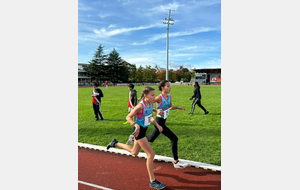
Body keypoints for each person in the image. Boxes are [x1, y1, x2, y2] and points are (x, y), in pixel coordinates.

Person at [107, 86, 166, 189]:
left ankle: (115, 143)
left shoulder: (150, 103)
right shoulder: (140, 106)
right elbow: (128, 117)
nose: (154, 97)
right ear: (145, 96)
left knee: (134, 152)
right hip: (138, 131)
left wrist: (157, 124)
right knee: (151, 154)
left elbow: (150, 115)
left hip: (143, 130)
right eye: (152, 95)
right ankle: (152, 181)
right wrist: (135, 125)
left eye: (154, 95)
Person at [146, 80, 189, 169]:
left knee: (151, 139)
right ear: (162, 88)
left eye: (170, 86)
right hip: (159, 121)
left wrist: (177, 107)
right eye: (168, 86)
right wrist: (155, 110)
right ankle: (176, 161)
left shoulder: (169, 96)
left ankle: (136, 137)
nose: (170, 87)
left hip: (163, 121)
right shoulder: (159, 98)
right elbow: (147, 104)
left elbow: (170, 106)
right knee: (174, 138)